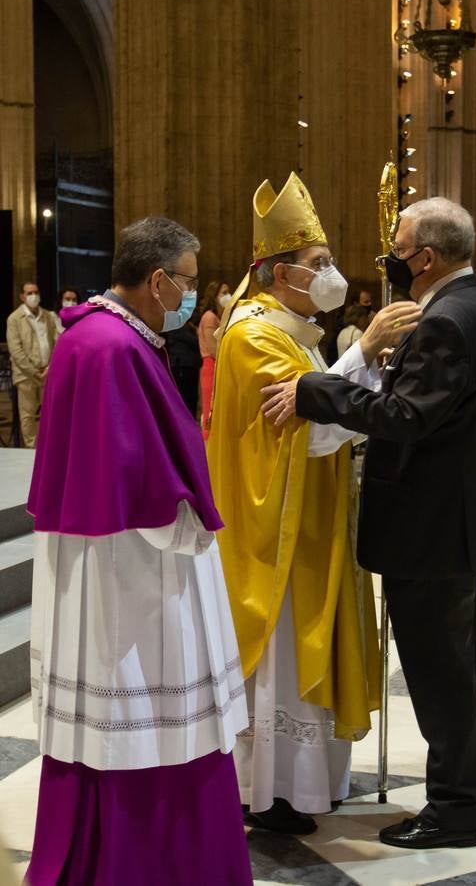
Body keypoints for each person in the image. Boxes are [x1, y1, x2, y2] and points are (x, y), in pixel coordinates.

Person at [262, 196, 476, 851]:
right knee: (471, 657)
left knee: (440, 672)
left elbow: (406, 417)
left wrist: (312, 392)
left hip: (432, 529)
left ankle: (453, 808)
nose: (388, 261)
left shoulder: (446, 321)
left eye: (395, 250)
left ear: (425, 258)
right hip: (470, 521)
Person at [25, 217, 252, 885]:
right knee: (145, 715)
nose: (190, 294)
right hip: (132, 578)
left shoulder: (97, 336)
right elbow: (140, 483)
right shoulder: (112, 348)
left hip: (105, 566)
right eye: (186, 280)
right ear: (157, 281)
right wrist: (196, 525)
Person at [207, 171, 421, 835]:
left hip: (314, 519)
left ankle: (306, 784)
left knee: (311, 645)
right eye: (316, 263)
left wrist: (361, 369)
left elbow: (326, 404)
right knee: (283, 654)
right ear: (277, 273)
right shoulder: (252, 336)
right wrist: (363, 349)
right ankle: (270, 792)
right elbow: (311, 427)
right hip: (276, 528)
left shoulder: (296, 329)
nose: (328, 273)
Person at [6, 282, 57, 448]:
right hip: (26, 374)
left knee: (49, 413)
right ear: (22, 296)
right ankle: (31, 450)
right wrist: (33, 372)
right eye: (29, 293)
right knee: (27, 416)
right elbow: (16, 350)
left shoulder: (48, 316)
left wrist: (49, 368)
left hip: (47, 372)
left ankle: (46, 448)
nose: (33, 296)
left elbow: (55, 342)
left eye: (36, 292)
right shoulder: (14, 319)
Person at [198, 280, 231, 438]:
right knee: (210, 411)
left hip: (217, 365)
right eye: (224, 292)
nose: (228, 295)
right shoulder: (210, 317)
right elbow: (213, 349)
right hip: (211, 365)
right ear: (214, 296)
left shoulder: (218, 316)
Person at [164, 316, 202, 418]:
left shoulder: (186, 323)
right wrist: (199, 335)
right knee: (184, 399)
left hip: (190, 364)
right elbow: (190, 339)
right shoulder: (174, 322)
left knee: (192, 398)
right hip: (181, 365)